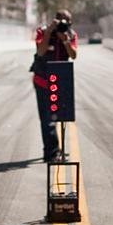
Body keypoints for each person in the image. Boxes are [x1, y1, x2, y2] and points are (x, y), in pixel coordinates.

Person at [33, 10, 78, 160]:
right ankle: (51, 152)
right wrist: (49, 33)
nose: (64, 24)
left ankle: (58, 149)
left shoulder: (70, 34)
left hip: (62, 80)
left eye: (67, 21)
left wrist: (64, 40)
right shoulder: (43, 31)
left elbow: (73, 55)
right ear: (54, 20)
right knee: (48, 119)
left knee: (63, 115)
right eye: (61, 21)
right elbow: (40, 52)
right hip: (43, 80)